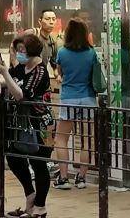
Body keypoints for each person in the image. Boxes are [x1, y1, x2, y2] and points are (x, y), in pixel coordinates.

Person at [0, 33, 53, 218]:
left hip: (39, 124)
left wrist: (4, 74)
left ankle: (40, 207)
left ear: (32, 50)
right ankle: (30, 195)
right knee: (14, 158)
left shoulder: (40, 71)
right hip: (20, 124)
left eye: (22, 50)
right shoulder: (22, 67)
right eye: (17, 50)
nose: (19, 54)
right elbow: (11, 79)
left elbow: (21, 95)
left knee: (39, 164)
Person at [53, 18, 97, 190]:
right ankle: (82, 178)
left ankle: (64, 178)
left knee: (61, 139)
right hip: (88, 98)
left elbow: (60, 73)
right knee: (86, 140)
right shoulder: (91, 52)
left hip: (69, 98)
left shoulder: (62, 52)